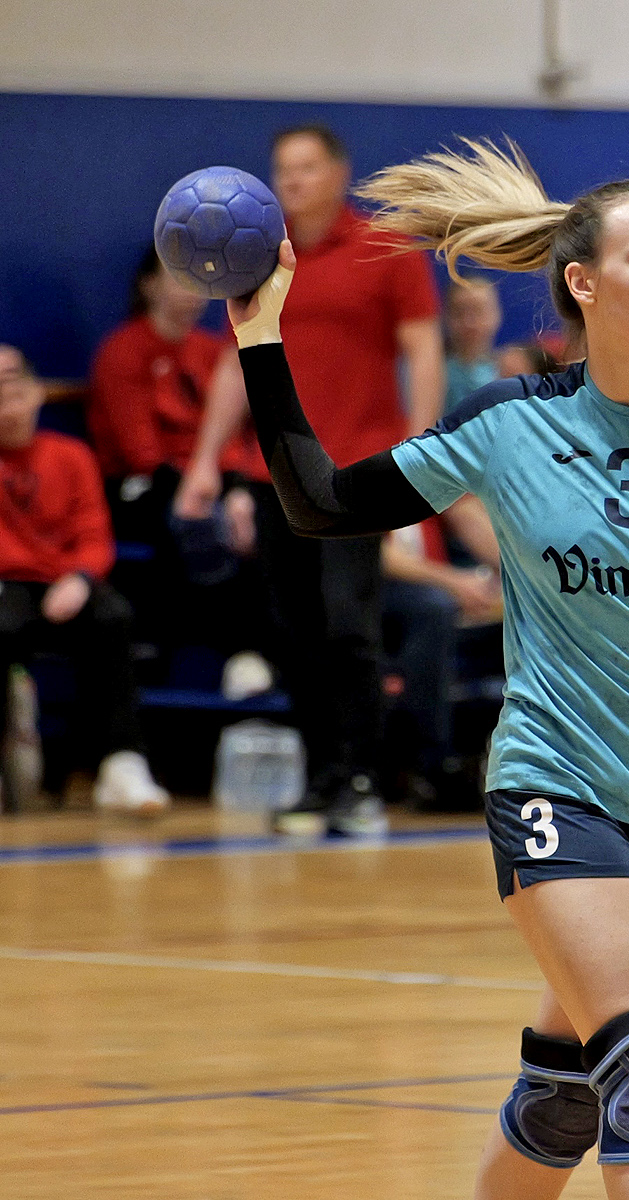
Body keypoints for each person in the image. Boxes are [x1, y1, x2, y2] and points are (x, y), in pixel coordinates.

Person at [225, 137, 629, 1199]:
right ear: (583, 282)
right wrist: (261, 335)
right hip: (553, 784)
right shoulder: (510, 422)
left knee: (569, 1090)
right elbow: (322, 504)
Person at [174, 123, 445, 837]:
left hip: (358, 471)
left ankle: (360, 778)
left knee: (348, 625)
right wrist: (205, 461)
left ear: (339, 173)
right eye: (282, 169)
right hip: (276, 472)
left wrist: (425, 448)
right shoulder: (259, 250)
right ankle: (322, 777)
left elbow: (422, 348)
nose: (292, 180)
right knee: (293, 632)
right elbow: (237, 358)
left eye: (306, 167)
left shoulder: (386, 247)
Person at [0, 346, 169, 815]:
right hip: (12, 583)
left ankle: (121, 764)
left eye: (15, 391)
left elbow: (95, 534)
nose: (9, 407)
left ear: (37, 394)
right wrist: (45, 572)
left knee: (113, 616)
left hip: (68, 582)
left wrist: (77, 577)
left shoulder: (71, 455)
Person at [88, 248, 268, 671]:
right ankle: (235, 649)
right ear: (149, 285)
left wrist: (237, 488)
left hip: (214, 479)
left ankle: (268, 654)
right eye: (179, 277)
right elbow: (140, 451)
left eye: (199, 279)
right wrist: (207, 491)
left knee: (270, 517)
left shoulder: (212, 351)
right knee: (197, 520)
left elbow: (235, 436)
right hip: (143, 485)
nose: (192, 290)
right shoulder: (123, 350)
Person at [381, 500, 503, 806]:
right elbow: (375, 556)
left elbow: (467, 514)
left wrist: (534, 570)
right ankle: (434, 763)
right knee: (433, 609)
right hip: (388, 598)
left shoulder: (431, 478)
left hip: (441, 598)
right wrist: (456, 583)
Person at [446, 277, 505, 408]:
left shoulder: (508, 373)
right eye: (459, 312)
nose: (469, 322)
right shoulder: (432, 375)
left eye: (478, 311)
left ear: (496, 314)